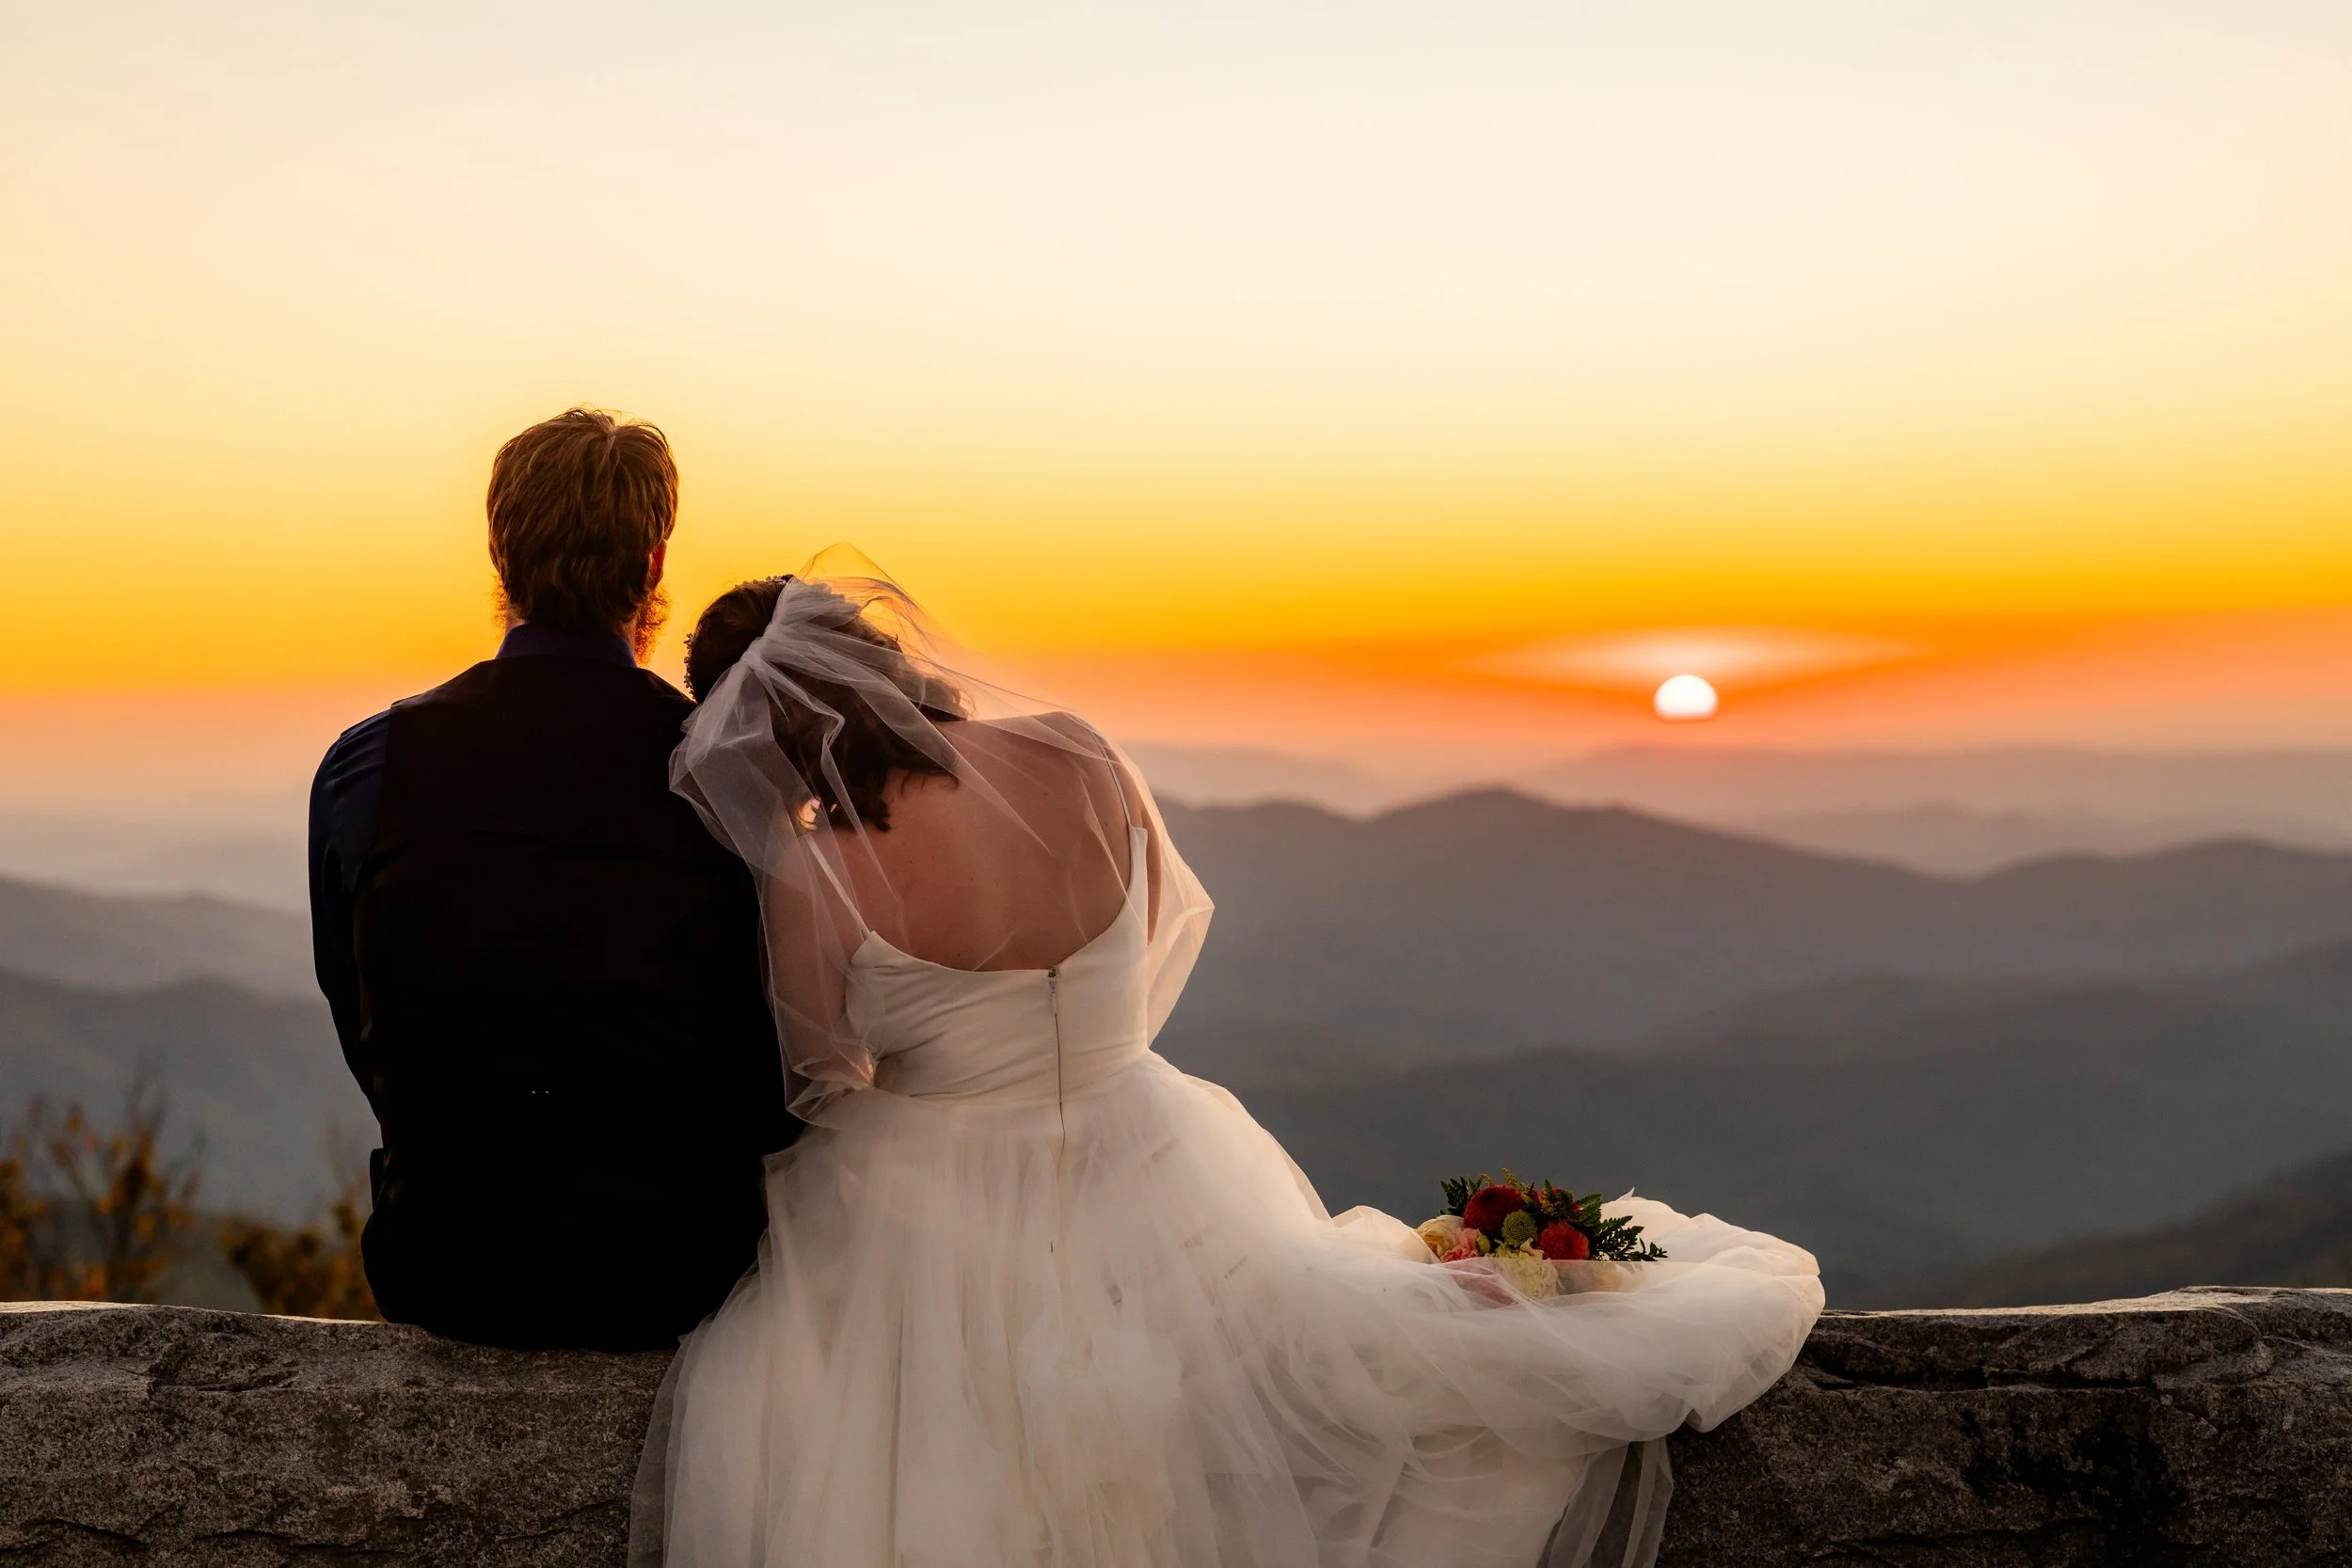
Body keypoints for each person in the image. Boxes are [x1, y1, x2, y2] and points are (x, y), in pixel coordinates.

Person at [630, 558, 1823, 1568]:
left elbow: (821, 1072)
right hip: (1146, 1143)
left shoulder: (816, 871)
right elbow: (1148, 933)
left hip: (935, 1201)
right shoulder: (1075, 752)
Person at [309, 408, 795, 1350]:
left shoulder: (369, 764)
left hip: (445, 1262)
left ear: (499, 555)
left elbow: (361, 1010)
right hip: (683, 1270)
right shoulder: (722, 771)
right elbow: (769, 1049)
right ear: (653, 563)